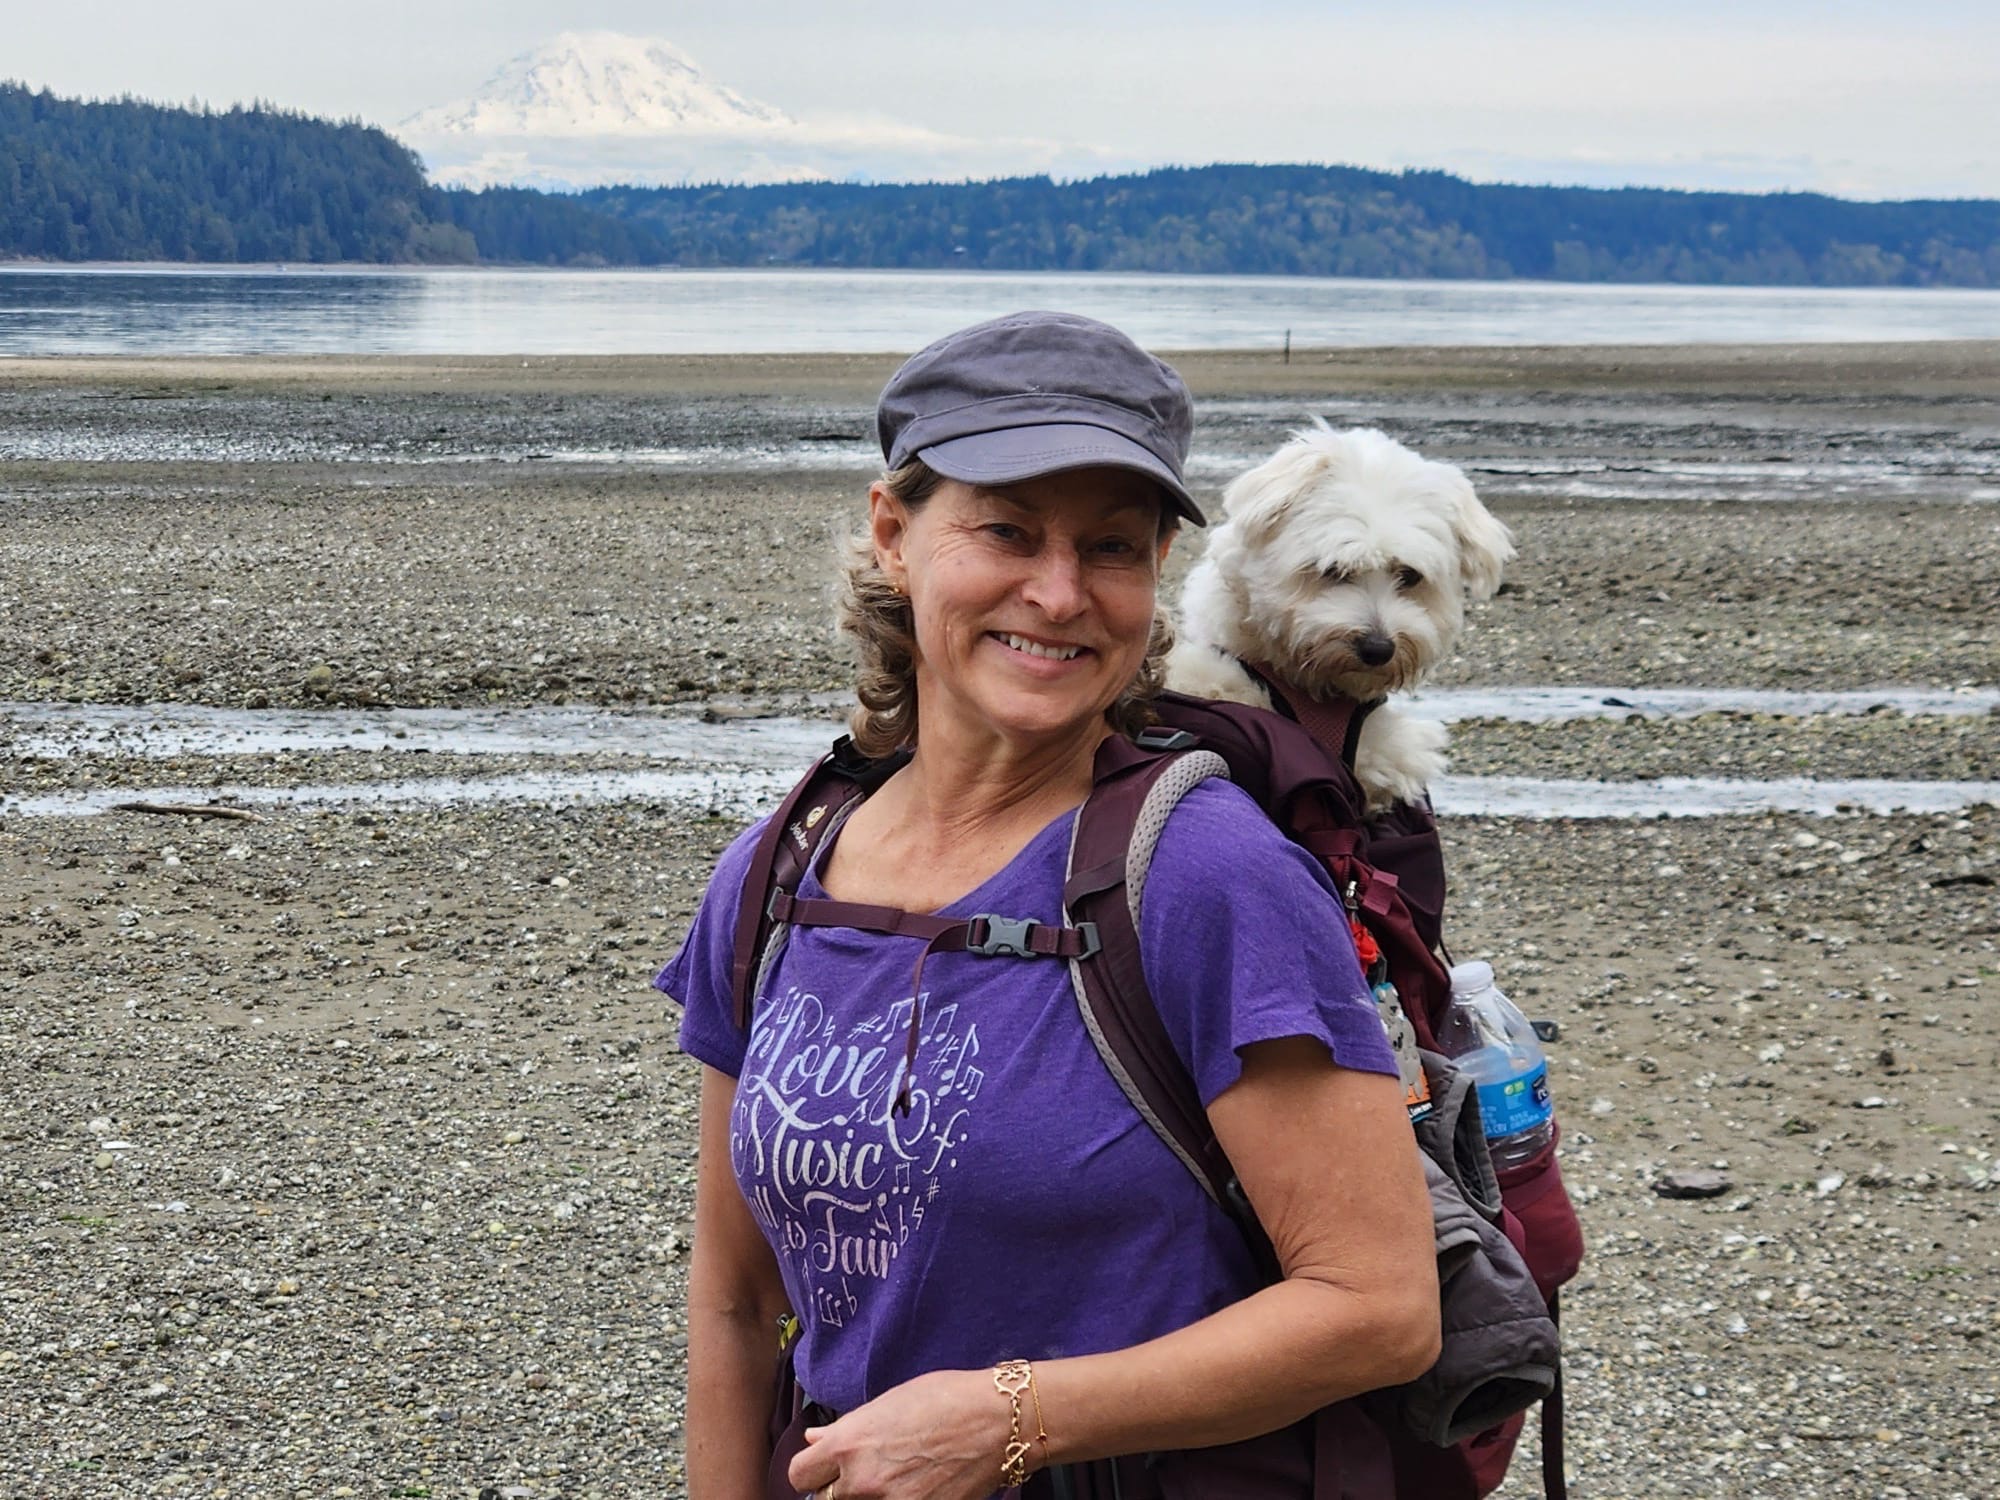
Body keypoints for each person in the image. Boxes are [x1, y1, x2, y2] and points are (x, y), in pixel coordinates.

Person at [656, 310, 1439, 1500]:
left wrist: (1008, 1418)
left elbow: (1378, 1308)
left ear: (1156, 571)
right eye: (1006, 532)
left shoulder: (1209, 876)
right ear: (894, 536)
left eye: (1110, 547)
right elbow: (733, 1302)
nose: (1060, 593)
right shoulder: (779, 875)